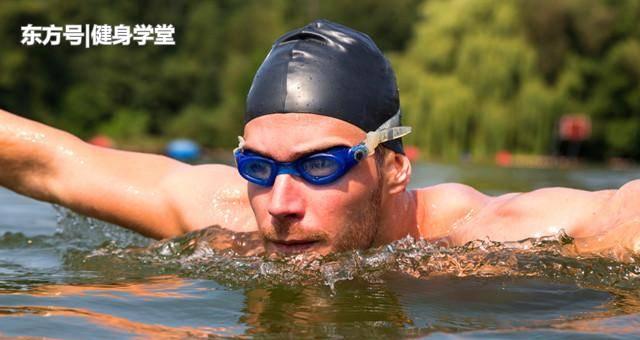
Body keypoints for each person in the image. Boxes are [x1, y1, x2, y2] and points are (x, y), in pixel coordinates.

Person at [1, 20, 639, 257]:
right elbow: (50, 165)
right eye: (257, 167)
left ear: (394, 168)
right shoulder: (227, 213)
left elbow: (620, 213)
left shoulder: (478, 234)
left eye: (322, 165)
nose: (280, 203)